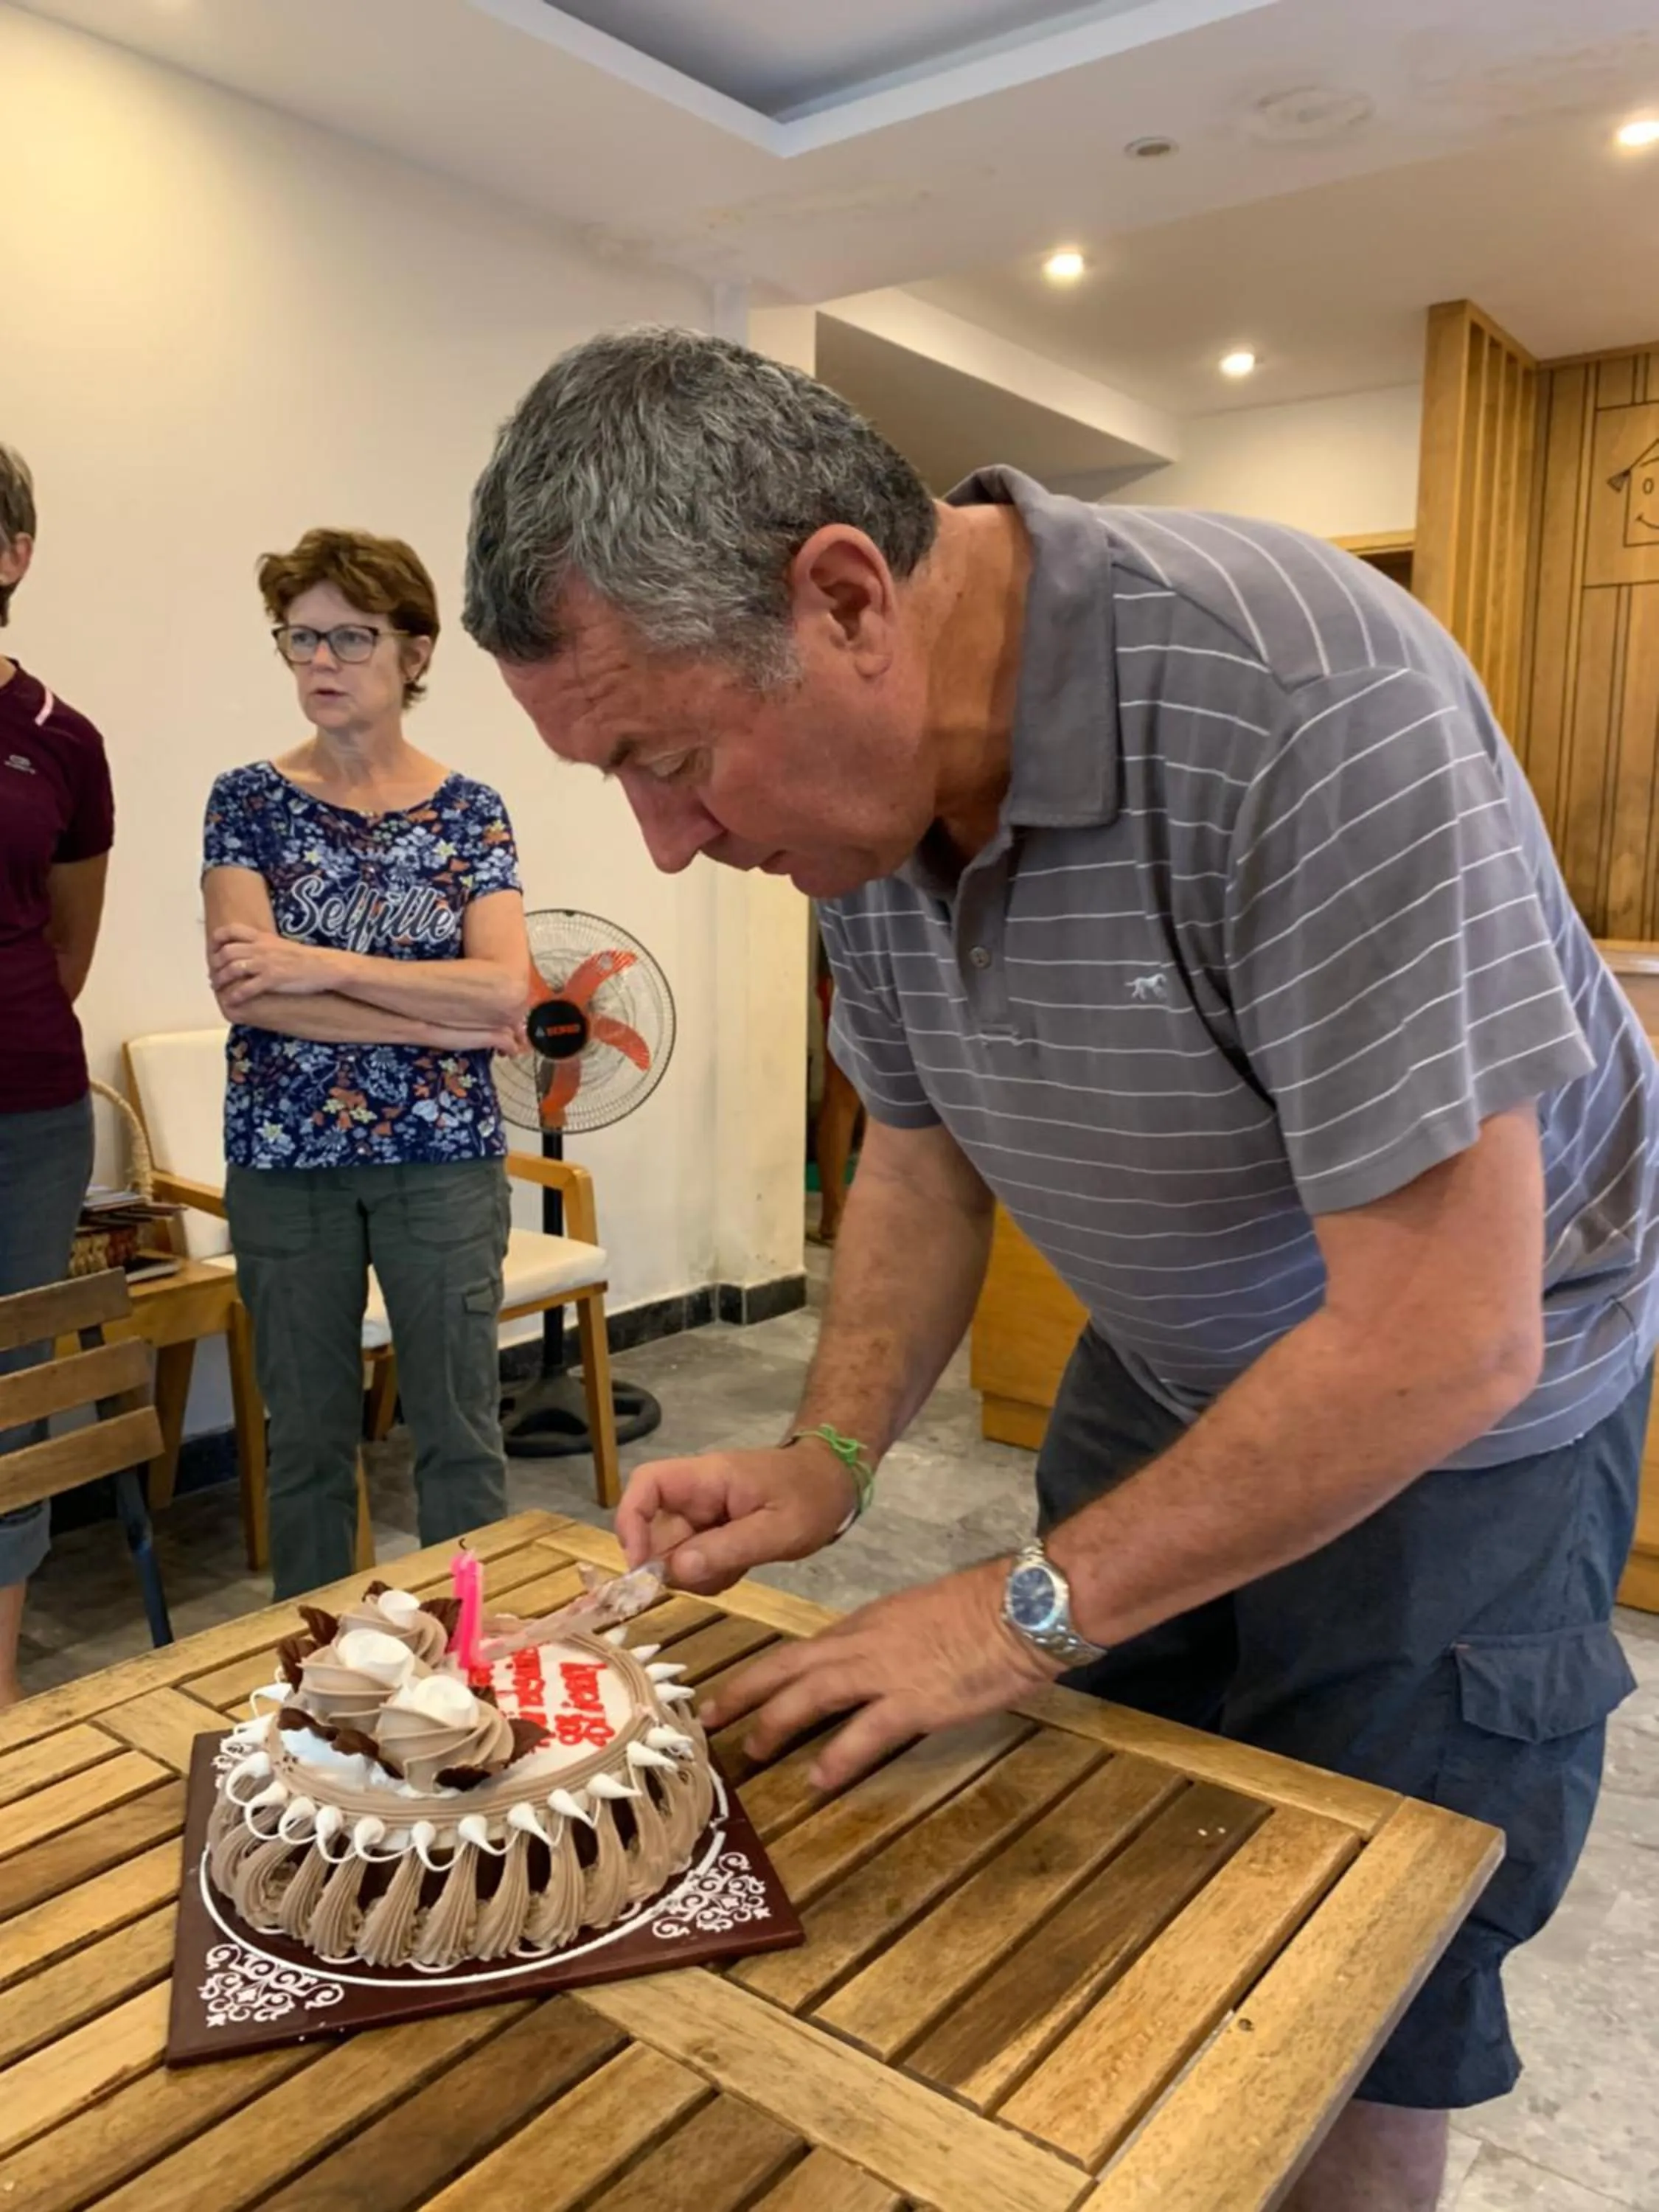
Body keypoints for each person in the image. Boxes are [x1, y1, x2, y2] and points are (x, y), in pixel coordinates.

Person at [462, 329, 1658, 2212]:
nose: (670, 845)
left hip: (1453, 1453)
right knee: (1121, 1872)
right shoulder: (862, 825)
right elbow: (921, 1158)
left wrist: (1015, 1612)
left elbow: (1443, 1336)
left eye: (670, 761)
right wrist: (829, 1456)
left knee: (1358, 1988)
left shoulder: (1306, 698)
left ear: (845, 599)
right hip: (1168, 1370)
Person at [203, 528, 529, 1600]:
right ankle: (318, 1669)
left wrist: (318, 966)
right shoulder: (246, 802)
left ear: (415, 652)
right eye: (300, 638)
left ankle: (464, 1664)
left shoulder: (470, 811)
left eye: (351, 638)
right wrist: (436, 1025)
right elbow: (247, 992)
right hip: (285, 1160)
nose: (321, 662)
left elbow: (504, 990)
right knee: (305, 1443)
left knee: (459, 1436)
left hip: (443, 1162)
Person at [0, 443, 113, 1708]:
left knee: (8, 1407)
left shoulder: (60, 741)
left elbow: (66, 948)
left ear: (13, 553)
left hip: (24, 1119)